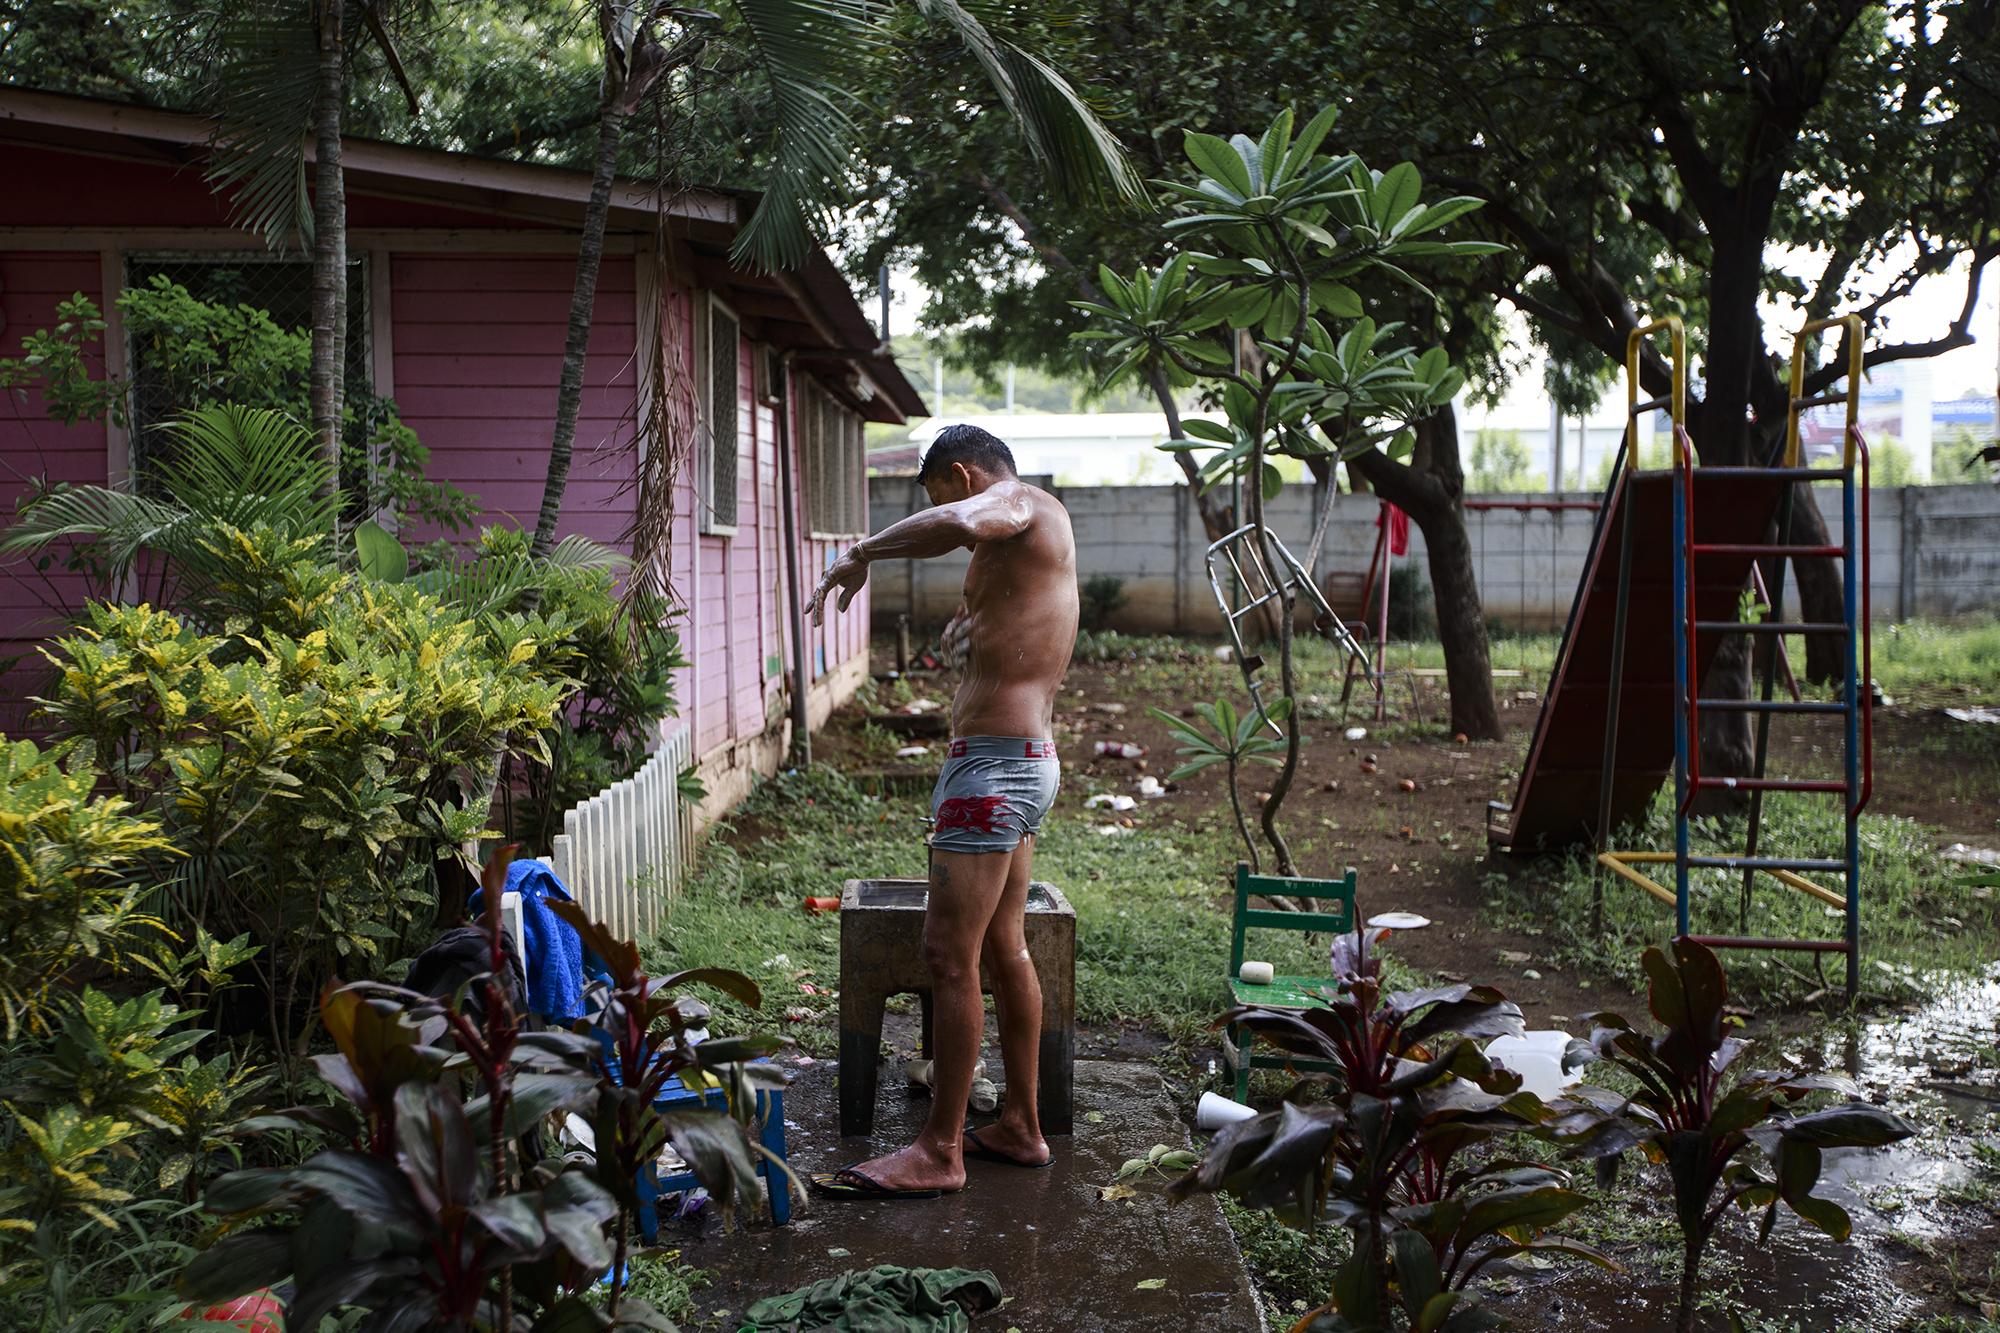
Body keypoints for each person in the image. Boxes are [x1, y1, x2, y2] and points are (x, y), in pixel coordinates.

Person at [803, 423, 1078, 1199]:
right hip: (1017, 763)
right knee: (1002, 949)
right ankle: (1019, 1126)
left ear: (964, 475)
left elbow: (959, 521)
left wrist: (861, 552)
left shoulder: (1015, 501)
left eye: (939, 494)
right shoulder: (1023, 537)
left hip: (996, 771)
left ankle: (940, 1148)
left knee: (947, 956)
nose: (952, 521)